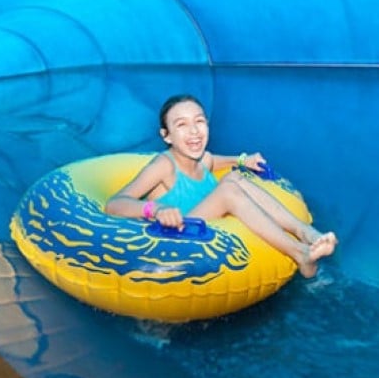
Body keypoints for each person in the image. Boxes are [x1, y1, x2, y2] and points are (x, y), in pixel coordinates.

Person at [104, 94, 337, 278]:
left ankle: (305, 232)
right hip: (176, 237)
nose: (194, 131)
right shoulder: (163, 165)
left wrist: (244, 160)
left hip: (204, 227)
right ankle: (300, 253)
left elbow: (217, 161)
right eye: (182, 125)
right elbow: (114, 204)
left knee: (236, 178)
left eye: (199, 121)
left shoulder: (203, 159)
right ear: (167, 136)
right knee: (228, 190)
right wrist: (155, 210)